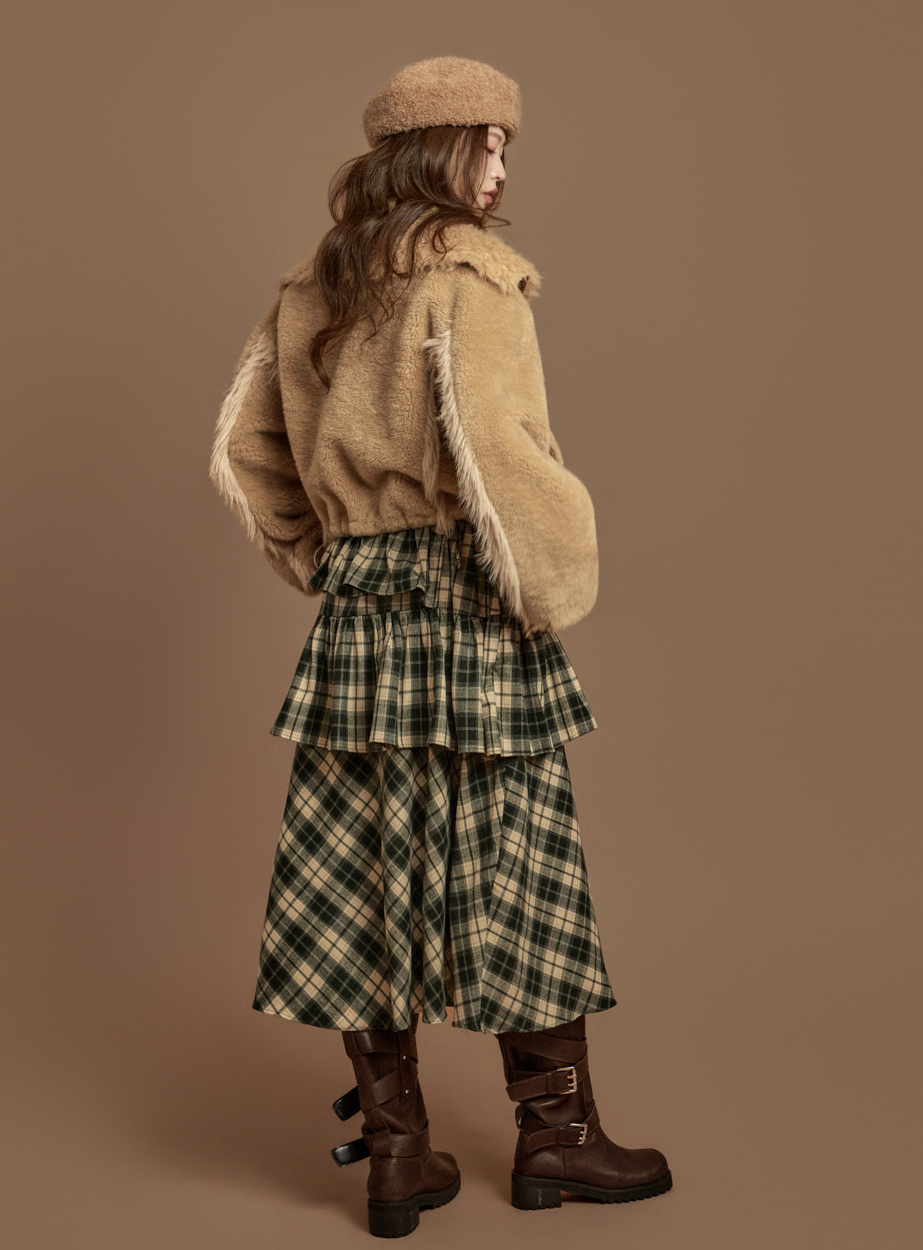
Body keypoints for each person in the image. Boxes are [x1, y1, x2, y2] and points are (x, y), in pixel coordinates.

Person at [209, 54, 672, 1238]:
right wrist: (554, 582)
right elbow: (501, 452)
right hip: (467, 603)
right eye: (487, 145)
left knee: (359, 866)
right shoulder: (474, 279)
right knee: (519, 862)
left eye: (508, 148)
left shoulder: (316, 283)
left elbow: (251, 448)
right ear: (435, 149)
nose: (501, 171)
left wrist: (330, 558)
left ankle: (397, 1155)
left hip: (360, 616)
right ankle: (555, 1137)